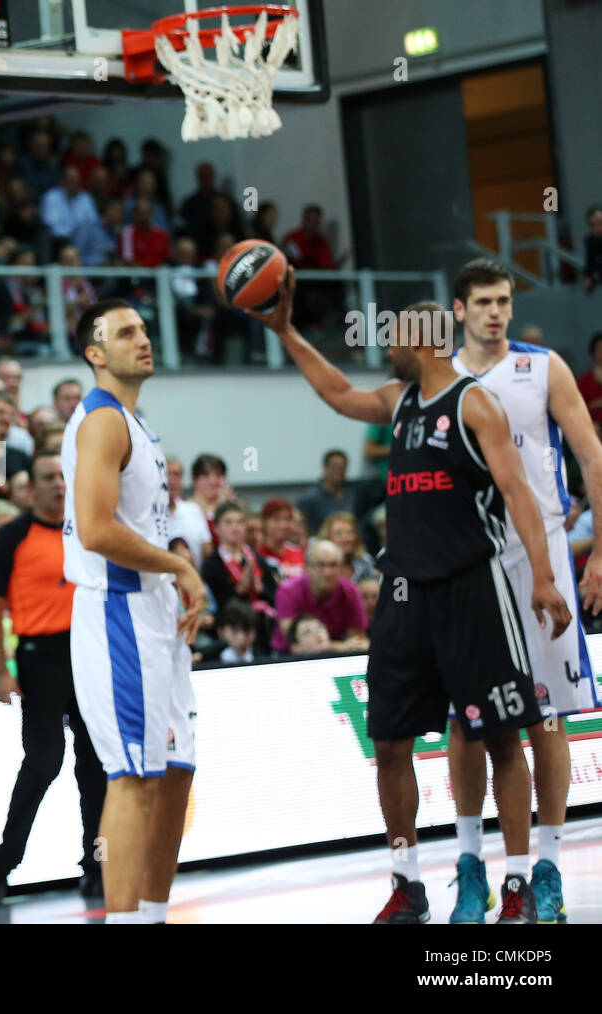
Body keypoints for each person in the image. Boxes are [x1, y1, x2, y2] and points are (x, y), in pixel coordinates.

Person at [245, 272, 571, 925]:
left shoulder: (476, 404)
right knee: (391, 743)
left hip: (472, 588)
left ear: (421, 339)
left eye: (394, 336)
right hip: (403, 592)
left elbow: (518, 495)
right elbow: (337, 394)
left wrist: (541, 575)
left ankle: (513, 886)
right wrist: (284, 331)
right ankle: (407, 883)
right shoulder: (398, 401)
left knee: (504, 738)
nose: (386, 346)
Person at [449, 257, 602, 924]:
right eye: (482, 301)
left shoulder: (544, 367)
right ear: (458, 309)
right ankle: (471, 870)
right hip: (463, 561)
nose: (495, 312)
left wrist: (600, 549)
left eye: (504, 300)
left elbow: (592, 454)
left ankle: (546, 868)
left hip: (537, 554)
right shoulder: (439, 377)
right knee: (467, 720)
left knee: (547, 717)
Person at [61, 297, 207, 923]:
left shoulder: (135, 420)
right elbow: (95, 531)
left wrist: (176, 563)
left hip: (156, 611)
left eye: (144, 328)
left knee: (176, 771)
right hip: (117, 611)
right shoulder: (100, 421)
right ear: (95, 353)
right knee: (132, 776)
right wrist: (176, 564)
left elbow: (144, 521)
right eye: (125, 332)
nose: (142, 339)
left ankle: (152, 915)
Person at [0, 451, 105, 901]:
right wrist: (0, 669)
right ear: (30, 487)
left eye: (63, 477)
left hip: (88, 654)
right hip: (40, 657)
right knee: (44, 761)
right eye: (48, 478)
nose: (57, 485)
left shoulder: (86, 530)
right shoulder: (13, 536)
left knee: (94, 765)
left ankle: (96, 865)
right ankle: (3, 862)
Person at [201, 500, 278, 651]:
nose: (235, 528)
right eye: (229, 523)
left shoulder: (258, 560)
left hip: (262, 630)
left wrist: (261, 589)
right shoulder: (211, 565)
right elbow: (213, 607)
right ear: (216, 528)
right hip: (230, 635)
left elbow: (276, 596)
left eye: (240, 522)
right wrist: (238, 590)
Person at [272, 540, 369, 653]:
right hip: (288, 657)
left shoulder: (351, 591)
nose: (327, 572)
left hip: (335, 658)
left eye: (333, 565)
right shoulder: (288, 590)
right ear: (307, 567)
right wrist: (338, 646)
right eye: (320, 565)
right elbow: (295, 639)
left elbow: (357, 640)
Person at [165, 456, 212, 569]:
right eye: (166, 474)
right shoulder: (147, 512)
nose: (172, 480)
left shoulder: (193, 509)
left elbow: (207, 552)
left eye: (176, 474)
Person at [296, 449, 354, 534]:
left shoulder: (352, 493)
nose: (339, 471)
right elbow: (298, 523)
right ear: (324, 467)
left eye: (342, 467)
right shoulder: (309, 497)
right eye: (335, 467)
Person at [319, 511, 377, 583]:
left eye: (350, 532)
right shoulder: (319, 565)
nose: (345, 538)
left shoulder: (365, 562)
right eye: (338, 533)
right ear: (327, 538)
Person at [575, 332, 602, 424]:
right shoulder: (585, 379)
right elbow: (577, 408)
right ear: (593, 353)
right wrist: (595, 404)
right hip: (593, 427)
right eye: (599, 350)